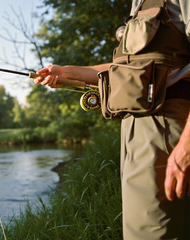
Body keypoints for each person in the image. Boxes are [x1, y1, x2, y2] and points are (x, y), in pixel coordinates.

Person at [34, 0, 190, 239]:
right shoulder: (139, 4)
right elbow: (126, 71)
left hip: (168, 131)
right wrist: (66, 72)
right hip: (136, 133)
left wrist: (186, 149)